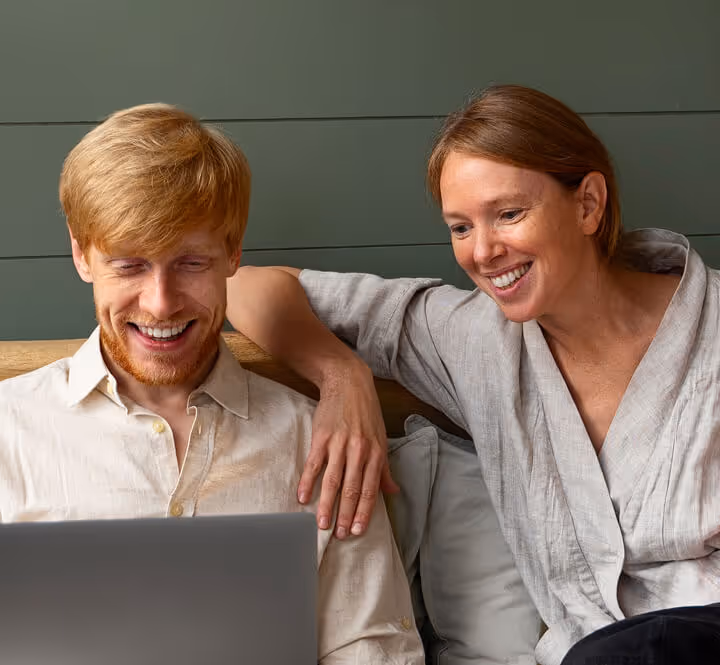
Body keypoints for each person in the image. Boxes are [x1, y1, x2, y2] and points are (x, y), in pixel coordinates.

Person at [225, 85, 720, 665]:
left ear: (588, 204)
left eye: (508, 214)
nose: (483, 252)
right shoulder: (470, 340)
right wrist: (341, 374)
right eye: (460, 227)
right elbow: (243, 285)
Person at [0, 103, 424, 664]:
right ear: (82, 256)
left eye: (191, 263)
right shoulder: (10, 429)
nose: (161, 303)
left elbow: (373, 648)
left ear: (232, 250)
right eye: (129, 265)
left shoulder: (318, 440)